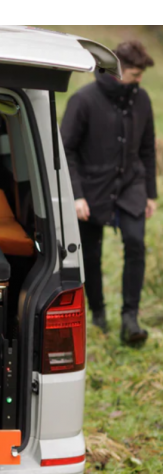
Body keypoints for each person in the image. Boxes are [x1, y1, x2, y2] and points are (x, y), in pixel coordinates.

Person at [61, 40, 157, 345]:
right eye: (134, 74)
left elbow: (147, 148)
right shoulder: (83, 100)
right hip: (91, 189)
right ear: (117, 70)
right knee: (91, 253)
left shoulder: (142, 99)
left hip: (131, 185)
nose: (139, 80)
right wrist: (77, 195)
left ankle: (130, 318)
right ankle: (98, 312)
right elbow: (66, 150)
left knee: (136, 243)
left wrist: (151, 194)